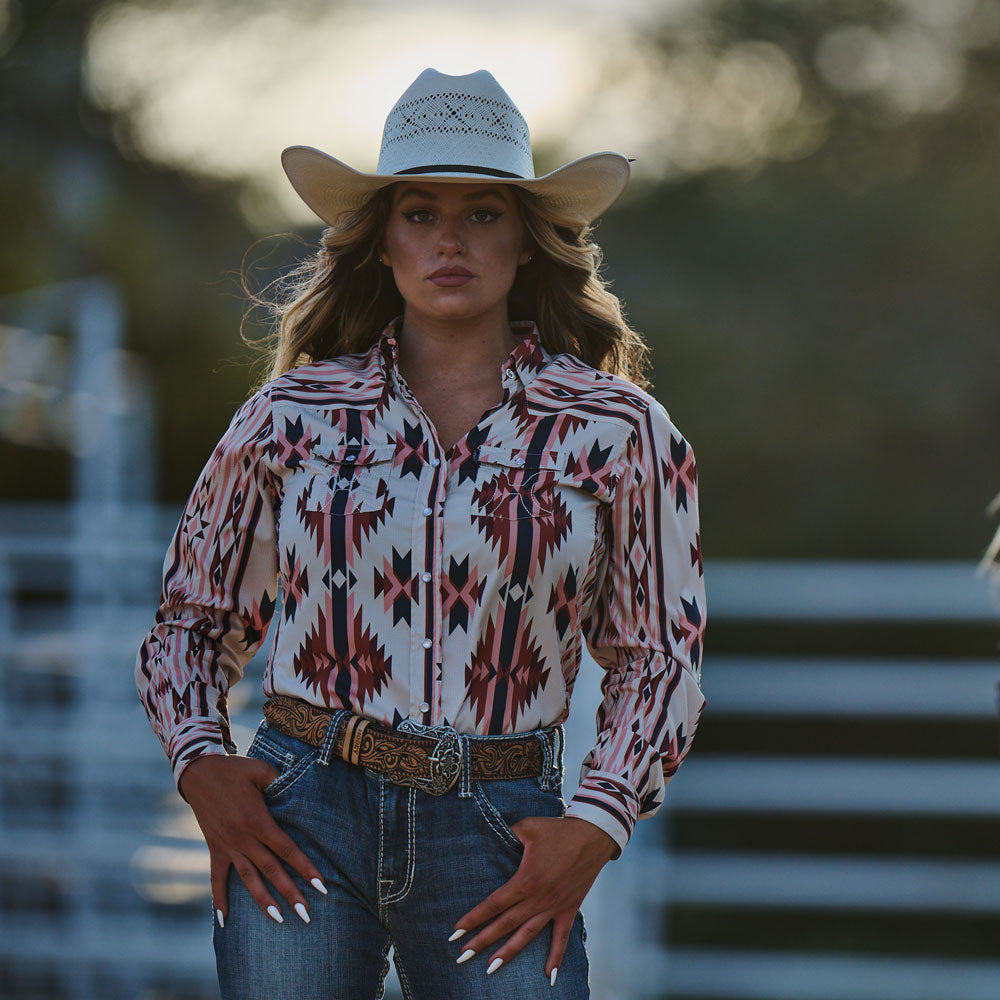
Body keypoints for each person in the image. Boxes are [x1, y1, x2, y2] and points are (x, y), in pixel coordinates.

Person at [135, 68, 706, 999]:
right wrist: (204, 765)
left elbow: (658, 657)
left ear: (527, 241)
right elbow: (191, 619)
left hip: (502, 825)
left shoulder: (618, 430)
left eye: (484, 213)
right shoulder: (289, 415)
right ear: (382, 243)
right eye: (418, 213)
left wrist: (597, 827)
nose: (449, 240)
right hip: (300, 811)